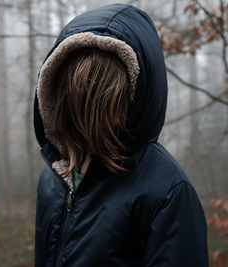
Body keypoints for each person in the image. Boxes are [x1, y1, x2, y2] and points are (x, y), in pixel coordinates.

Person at [33, 3, 209, 267]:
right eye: (76, 100)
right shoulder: (53, 180)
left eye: (102, 102)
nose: (88, 117)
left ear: (136, 99)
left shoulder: (166, 191)